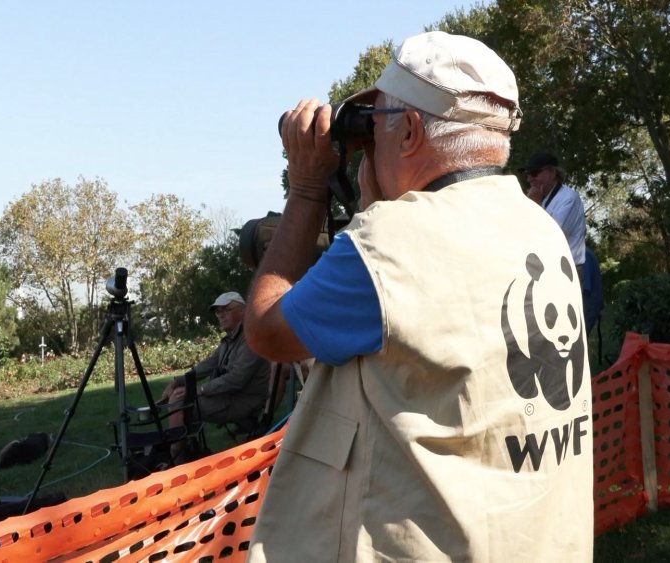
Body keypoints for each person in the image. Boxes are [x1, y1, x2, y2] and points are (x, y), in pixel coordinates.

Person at [245, 31, 593, 562]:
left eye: (374, 126)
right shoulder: (537, 227)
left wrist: (308, 189)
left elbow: (267, 329)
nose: (367, 145)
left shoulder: (388, 245)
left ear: (408, 131)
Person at [157, 291, 270, 438]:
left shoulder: (250, 338)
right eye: (218, 312)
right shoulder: (231, 338)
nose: (221, 315)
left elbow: (237, 379)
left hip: (244, 400)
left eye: (226, 310)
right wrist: (177, 381)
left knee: (179, 402)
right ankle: (187, 449)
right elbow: (209, 364)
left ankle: (176, 455)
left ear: (244, 310)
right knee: (179, 395)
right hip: (230, 396)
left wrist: (200, 389)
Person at [519, 151, 587, 282]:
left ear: (552, 173)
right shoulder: (541, 198)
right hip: (546, 271)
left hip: (567, 273)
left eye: (534, 173)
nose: (529, 179)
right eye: (527, 174)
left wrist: (535, 206)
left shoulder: (569, 198)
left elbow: (551, 235)